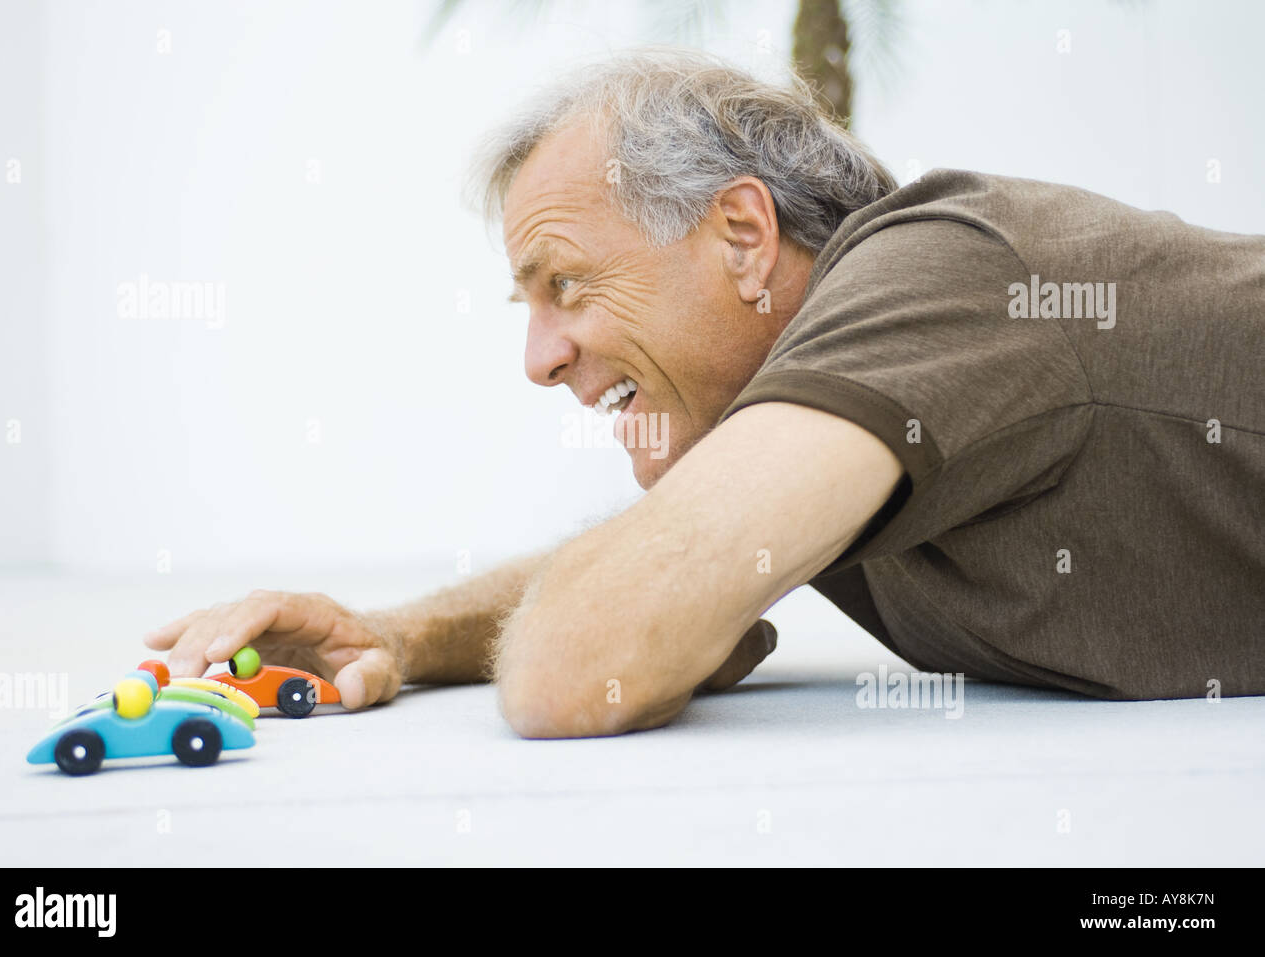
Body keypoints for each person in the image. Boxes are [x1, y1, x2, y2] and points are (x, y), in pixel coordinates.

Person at [145, 49, 1265, 738]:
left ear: (741, 236)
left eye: (566, 284)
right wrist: (386, 632)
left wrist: (662, 613)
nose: (538, 359)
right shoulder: (850, 426)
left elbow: (576, 671)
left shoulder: (938, 269)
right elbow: (656, 566)